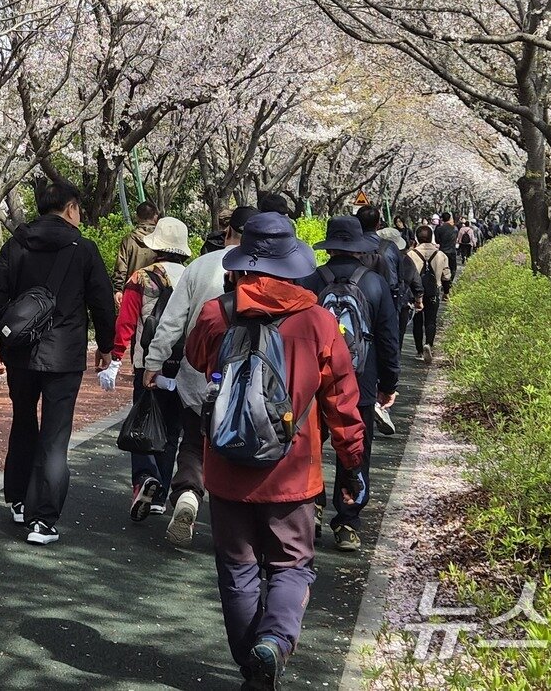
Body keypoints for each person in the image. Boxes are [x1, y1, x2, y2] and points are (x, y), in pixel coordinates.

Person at [183, 212, 367, 690]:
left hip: (226, 467)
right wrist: (351, 465)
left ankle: (253, 666)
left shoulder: (216, 313)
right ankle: (275, 643)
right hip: (294, 473)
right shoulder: (319, 322)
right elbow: (343, 404)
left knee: (238, 568)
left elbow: (197, 359)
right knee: (290, 564)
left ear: (242, 263)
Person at [0, 180, 116, 545]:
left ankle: (19, 501)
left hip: (20, 352)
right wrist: (106, 346)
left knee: (22, 421)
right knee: (55, 437)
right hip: (64, 354)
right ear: (71, 208)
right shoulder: (84, 249)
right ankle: (44, 522)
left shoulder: (16, 244)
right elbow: (102, 302)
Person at [143, 206, 279, 548]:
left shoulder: (200, 267)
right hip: (254, 380)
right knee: (243, 447)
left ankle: (188, 492)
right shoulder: (272, 272)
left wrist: (153, 362)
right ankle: (238, 526)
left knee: (192, 441)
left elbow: (172, 321)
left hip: (200, 371)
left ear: (228, 230)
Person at [304, 215, 400, 552]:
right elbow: (389, 340)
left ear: (329, 246)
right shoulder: (375, 285)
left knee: (311, 446)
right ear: (359, 247)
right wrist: (388, 384)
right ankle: (347, 521)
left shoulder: (311, 281)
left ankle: (311, 507)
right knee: (355, 448)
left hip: (314, 383)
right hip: (359, 382)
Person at [108, 216, 193, 521]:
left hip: (148, 363)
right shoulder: (191, 277)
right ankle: (162, 495)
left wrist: (117, 356)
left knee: (142, 422)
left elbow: (127, 321)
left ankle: (145, 477)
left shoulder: (141, 278)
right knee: (172, 430)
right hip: (183, 363)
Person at [407, 225, 451, 362]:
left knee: (417, 321)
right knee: (431, 321)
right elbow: (446, 276)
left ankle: (419, 351)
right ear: (432, 236)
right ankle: (429, 344)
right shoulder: (440, 254)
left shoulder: (411, 254)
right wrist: (446, 292)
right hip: (433, 291)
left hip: (415, 293)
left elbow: (406, 275)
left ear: (417, 237)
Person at [113, 201, 161, 299]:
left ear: (137, 217)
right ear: (155, 217)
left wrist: (118, 290)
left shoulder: (129, 240)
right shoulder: (162, 240)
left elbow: (121, 268)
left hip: (132, 293)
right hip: (157, 294)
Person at [434, 213, 459, 287]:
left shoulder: (439, 229)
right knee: (453, 268)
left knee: (442, 268)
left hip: (442, 251)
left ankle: (443, 283)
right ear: (450, 218)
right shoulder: (454, 229)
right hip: (452, 251)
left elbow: (437, 241)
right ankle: (449, 283)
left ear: (442, 219)